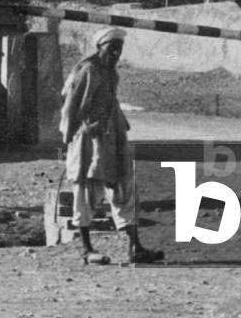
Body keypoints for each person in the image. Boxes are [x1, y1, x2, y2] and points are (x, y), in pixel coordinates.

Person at [60, 27, 165, 265]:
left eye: (119, 49)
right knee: (86, 192)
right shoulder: (88, 71)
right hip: (89, 143)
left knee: (124, 187)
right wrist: (69, 139)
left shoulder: (110, 74)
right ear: (100, 47)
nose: (116, 53)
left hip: (113, 140)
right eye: (111, 48)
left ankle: (135, 247)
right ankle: (87, 250)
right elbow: (71, 107)